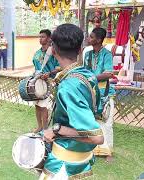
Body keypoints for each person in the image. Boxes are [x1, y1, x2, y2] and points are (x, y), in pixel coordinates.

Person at [41, 23, 104, 179]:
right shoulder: (87, 75)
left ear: (53, 50)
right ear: (80, 50)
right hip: (82, 157)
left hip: (64, 163)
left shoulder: (69, 86)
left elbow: (97, 137)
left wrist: (56, 129)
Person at [84, 27, 115, 162]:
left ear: (98, 39)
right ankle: (94, 149)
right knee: (92, 121)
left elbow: (109, 73)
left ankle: (108, 152)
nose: (89, 39)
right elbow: (85, 72)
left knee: (107, 122)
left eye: (91, 37)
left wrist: (92, 78)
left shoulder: (107, 54)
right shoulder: (87, 55)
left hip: (106, 92)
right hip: (91, 92)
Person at [32, 29, 59, 133]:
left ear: (49, 38)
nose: (40, 39)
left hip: (49, 81)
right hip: (38, 82)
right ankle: (39, 126)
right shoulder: (37, 53)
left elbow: (59, 67)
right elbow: (35, 66)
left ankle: (45, 129)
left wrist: (49, 73)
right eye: (40, 37)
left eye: (42, 36)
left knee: (44, 106)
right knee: (37, 104)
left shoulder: (53, 52)